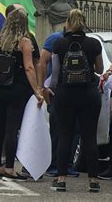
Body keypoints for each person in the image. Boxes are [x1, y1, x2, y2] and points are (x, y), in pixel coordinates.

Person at [0, 7, 43, 182]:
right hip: (16, 89)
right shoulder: (24, 41)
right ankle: (10, 169)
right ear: (23, 23)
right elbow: (29, 67)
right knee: (11, 129)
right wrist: (37, 90)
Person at [50, 9, 103, 192]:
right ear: (84, 22)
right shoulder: (94, 43)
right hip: (89, 94)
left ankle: (61, 179)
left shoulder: (59, 44)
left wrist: (52, 89)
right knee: (89, 137)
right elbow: (99, 68)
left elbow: (55, 75)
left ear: (68, 23)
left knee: (65, 135)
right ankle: (94, 180)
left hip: (65, 94)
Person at [37, 28, 80, 178]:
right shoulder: (55, 39)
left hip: (76, 90)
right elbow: (43, 62)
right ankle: (53, 164)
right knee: (57, 128)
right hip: (55, 90)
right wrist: (42, 87)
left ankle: (68, 164)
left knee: (75, 129)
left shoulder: (82, 41)